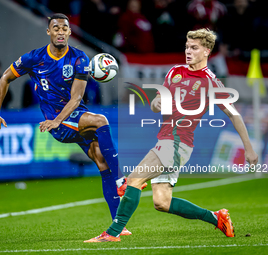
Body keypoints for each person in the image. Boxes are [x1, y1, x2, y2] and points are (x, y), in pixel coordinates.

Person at [84, 28, 258, 242]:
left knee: (134, 180)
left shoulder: (210, 81)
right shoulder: (175, 71)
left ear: (206, 51)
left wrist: (249, 148)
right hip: (166, 139)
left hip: (177, 143)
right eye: (187, 46)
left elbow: (235, 115)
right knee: (162, 202)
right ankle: (216, 218)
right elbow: (158, 104)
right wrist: (157, 102)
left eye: (194, 48)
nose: (188, 51)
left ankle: (112, 233)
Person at [0, 13, 146, 235]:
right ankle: (123, 181)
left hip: (67, 118)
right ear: (49, 32)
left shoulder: (80, 59)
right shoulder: (34, 58)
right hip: (60, 125)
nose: (60, 32)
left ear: (70, 32)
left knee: (103, 163)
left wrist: (56, 119)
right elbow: (5, 77)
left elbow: (76, 99)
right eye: (56, 28)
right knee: (101, 120)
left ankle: (119, 226)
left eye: (64, 28)